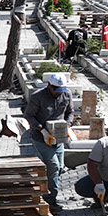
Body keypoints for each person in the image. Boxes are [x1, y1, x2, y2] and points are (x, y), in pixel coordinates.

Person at [23, 73, 75, 208]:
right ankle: (50, 200)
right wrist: (42, 130)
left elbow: (70, 112)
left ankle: (47, 193)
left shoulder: (66, 94)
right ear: (49, 86)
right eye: (56, 90)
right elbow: (29, 115)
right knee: (53, 166)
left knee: (59, 168)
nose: (58, 94)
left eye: (61, 91)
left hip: (59, 138)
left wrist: (67, 125)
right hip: (41, 138)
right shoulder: (37, 97)